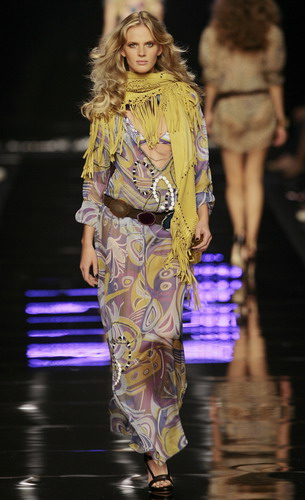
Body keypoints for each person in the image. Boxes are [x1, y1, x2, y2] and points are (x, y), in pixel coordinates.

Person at [75, 11, 214, 495]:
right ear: (121, 50)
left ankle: (156, 434)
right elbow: (94, 178)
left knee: (163, 344)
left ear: (160, 48)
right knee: (130, 347)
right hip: (119, 237)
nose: (139, 52)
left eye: (147, 44)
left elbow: (198, 164)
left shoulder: (183, 99)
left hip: (166, 238)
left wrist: (203, 217)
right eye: (131, 45)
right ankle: (156, 457)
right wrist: (88, 241)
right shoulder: (109, 104)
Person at [199, 0, 287, 271]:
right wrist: (281, 119)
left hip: (229, 108)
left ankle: (239, 235)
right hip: (261, 106)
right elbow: (274, 78)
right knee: (254, 179)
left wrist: (208, 112)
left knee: (236, 181)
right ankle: (251, 242)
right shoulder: (269, 31)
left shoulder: (217, 31)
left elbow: (211, 77)